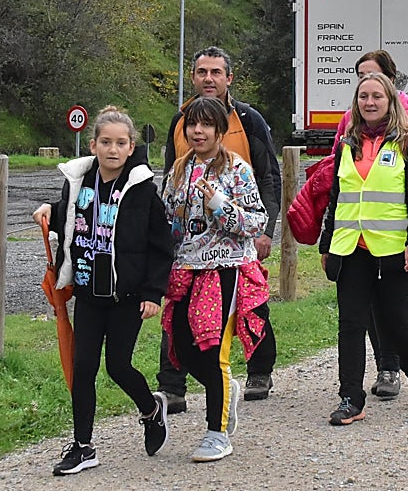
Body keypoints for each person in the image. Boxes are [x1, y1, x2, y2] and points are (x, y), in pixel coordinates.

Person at [34, 107, 173, 476]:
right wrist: (50, 209)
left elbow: (161, 246)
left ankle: (151, 409)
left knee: (117, 366)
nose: (113, 149)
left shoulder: (143, 191)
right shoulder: (79, 182)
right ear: (93, 144)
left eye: (121, 143)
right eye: (106, 142)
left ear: (131, 149)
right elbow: (70, 218)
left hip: (127, 296)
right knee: (83, 367)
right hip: (88, 293)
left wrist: (152, 293)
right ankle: (83, 446)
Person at [158, 47, 280, 410]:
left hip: (238, 238)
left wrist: (265, 232)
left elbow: (269, 179)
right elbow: (168, 179)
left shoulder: (249, 120)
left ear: (229, 78)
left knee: (251, 305)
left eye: (215, 72)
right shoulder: (179, 122)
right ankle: (173, 386)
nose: (208, 78)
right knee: (178, 313)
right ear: (192, 77)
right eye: (201, 72)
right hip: (188, 251)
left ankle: (259, 370)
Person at [320, 72, 408, 425]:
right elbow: (337, 197)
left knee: (393, 321)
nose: (370, 103)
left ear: (390, 101)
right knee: (351, 323)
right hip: (351, 246)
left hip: (394, 249)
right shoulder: (346, 143)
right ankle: (351, 397)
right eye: (364, 97)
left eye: (377, 97)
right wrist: (327, 243)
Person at [161, 96, 268, 462]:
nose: (198, 131)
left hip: (226, 269)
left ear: (220, 130)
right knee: (183, 346)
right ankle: (224, 392)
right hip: (185, 269)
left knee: (213, 349)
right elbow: (167, 224)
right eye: (192, 124)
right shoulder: (178, 169)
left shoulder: (237, 169)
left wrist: (221, 206)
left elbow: (257, 222)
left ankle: (216, 433)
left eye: (206, 125)